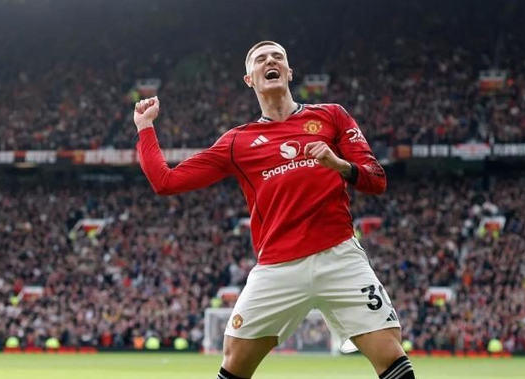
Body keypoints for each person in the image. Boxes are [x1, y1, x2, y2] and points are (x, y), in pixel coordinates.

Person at [134, 41, 415, 379]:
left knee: (391, 355)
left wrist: (339, 164)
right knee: (234, 362)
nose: (271, 61)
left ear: (289, 72)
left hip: (340, 257)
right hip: (277, 267)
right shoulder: (237, 142)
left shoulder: (332, 116)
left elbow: (377, 180)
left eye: (278, 56)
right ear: (249, 79)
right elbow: (165, 181)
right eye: (261, 59)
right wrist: (145, 127)